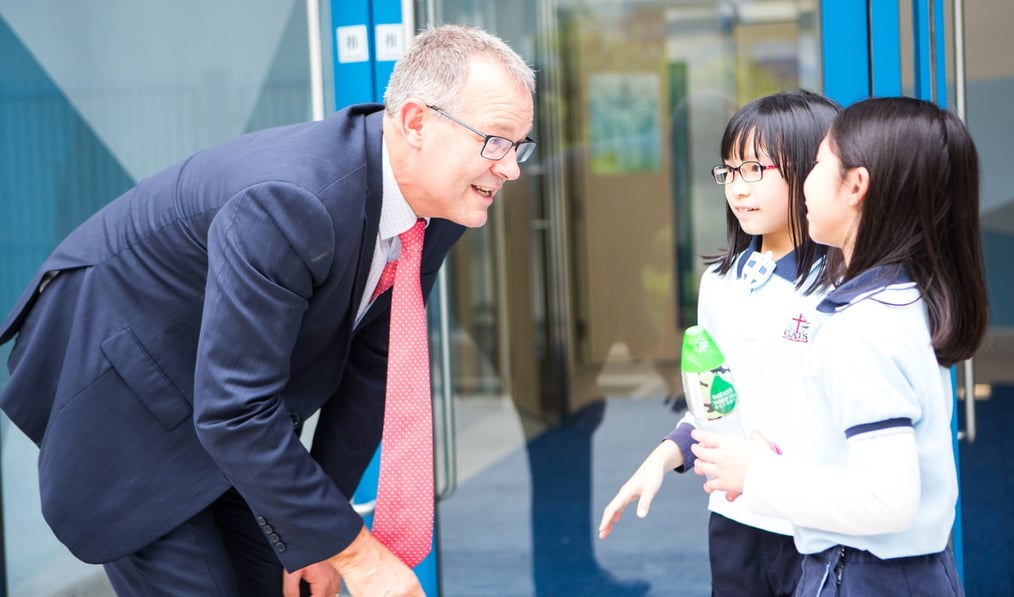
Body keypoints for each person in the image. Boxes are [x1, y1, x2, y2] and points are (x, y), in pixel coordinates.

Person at [0, 24, 535, 597]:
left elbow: (372, 365)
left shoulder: (437, 206)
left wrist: (325, 536)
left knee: (281, 582)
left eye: (520, 145)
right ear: (414, 123)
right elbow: (234, 410)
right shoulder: (293, 199)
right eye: (496, 140)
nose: (511, 168)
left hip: (224, 400)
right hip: (121, 386)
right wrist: (359, 556)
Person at [691, 96, 986, 596]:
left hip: (865, 572)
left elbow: (887, 499)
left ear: (856, 185)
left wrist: (758, 475)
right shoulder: (897, 298)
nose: (806, 179)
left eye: (820, 163)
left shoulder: (864, 327)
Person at [599, 90, 840, 596]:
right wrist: (663, 458)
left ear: (811, 170)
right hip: (734, 516)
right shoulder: (721, 282)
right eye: (729, 171)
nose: (737, 187)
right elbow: (715, 402)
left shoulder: (841, 287)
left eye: (755, 169)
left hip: (813, 521)